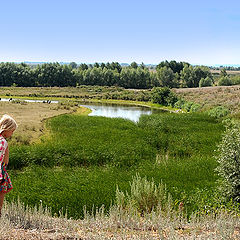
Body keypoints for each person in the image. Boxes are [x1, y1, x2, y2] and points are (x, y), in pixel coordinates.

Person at [0, 114, 17, 217]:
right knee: (2, 191)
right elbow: (5, 160)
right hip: (1, 170)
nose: (12, 133)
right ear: (7, 128)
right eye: (12, 131)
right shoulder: (3, 142)